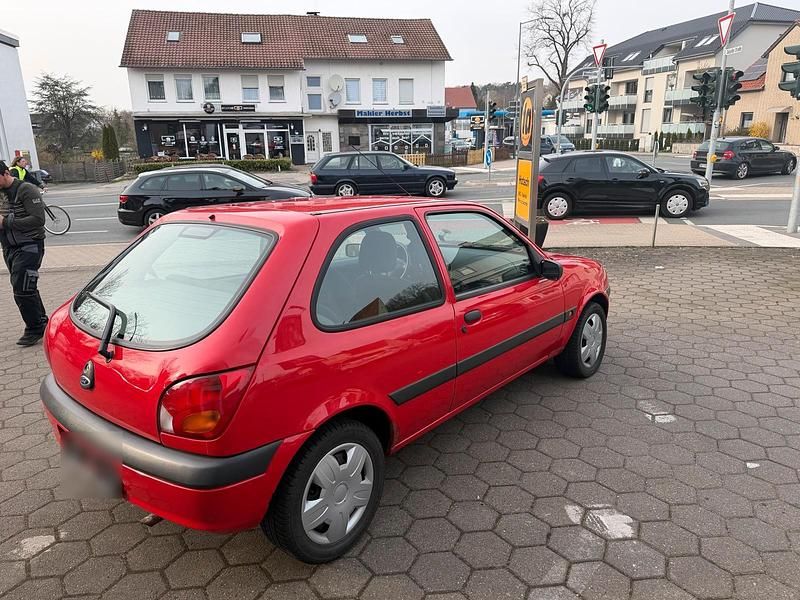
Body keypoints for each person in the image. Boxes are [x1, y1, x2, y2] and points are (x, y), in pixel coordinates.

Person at [0, 160, 48, 346]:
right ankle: (42, 322)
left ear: (6, 173)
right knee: (27, 286)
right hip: (9, 247)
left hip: (30, 245)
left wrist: (6, 222)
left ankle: (34, 328)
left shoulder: (26, 190)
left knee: (22, 289)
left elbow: (38, 219)